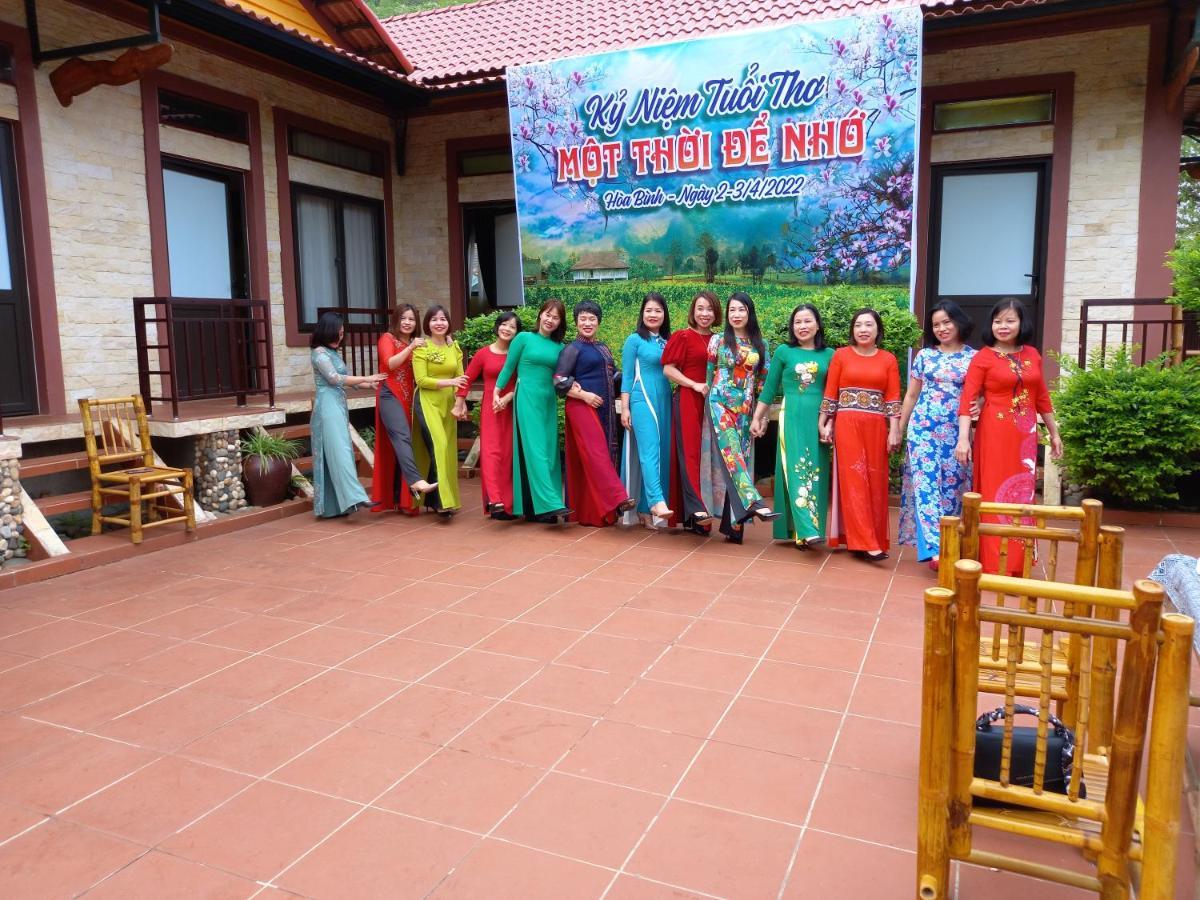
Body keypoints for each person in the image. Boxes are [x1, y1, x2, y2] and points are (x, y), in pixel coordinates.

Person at [955, 298, 1064, 575]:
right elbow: (967, 400)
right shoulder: (984, 357)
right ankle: (995, 564)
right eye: (997, 321)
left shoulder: (1033, 355)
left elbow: (1041, 396)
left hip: (1026, 435)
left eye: (1009, 321)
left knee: (1023, 494)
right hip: (994, 433)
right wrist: (963, 439)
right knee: (994, 494)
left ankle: (1020, 560)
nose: (1002, 326)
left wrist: (1054, 432)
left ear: (1021, 323)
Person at [898, 301, 977, 569]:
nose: (941, 328)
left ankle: (951, 541)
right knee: (926, 485)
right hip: (923, 430)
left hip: (957, 433)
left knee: (954, 487)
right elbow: (911, 394)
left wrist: (983, 405)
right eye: (936, 324)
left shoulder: (974, 358)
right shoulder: (924, 357)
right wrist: (899, 427)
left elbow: (986, 394)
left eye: (947, 322)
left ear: (958, 322)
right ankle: (934, 549)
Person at [819, 308, 901, 561]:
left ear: (878, 330)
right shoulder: (841, 355)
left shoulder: (888, 359)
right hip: (847, 424)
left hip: (876, 427)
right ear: (852, 330)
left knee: (875, 481)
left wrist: (895, 430)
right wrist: (824, 422)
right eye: (858, 325)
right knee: (854, 479)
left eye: (869, 325)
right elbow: (831, 391)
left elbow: (893, 398)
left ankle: (867, 539)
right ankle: (864, 541)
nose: (863, 330)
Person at [751, 303, 834, 549]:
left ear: (817, 324)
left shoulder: (830, 355)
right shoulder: (784, 352)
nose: (803, 326)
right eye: (798, 322)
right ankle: (807, 530)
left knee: (816, 472)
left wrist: (829, 422)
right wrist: (758, 417)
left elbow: (834, 393)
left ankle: (806, 529)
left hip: (818, 420)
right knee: (798, 469)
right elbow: (769, 389)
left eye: (808, 321)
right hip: (793, 417)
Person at [553, 300, 635, 526]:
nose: (587, 323)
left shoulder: (603, 347)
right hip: (581, 408)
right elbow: (559, 380)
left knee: (596, 456)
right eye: (583, 319)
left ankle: (593, 513)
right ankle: (618, 498)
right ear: (576, 321)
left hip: (605, 411)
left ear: (598, 322)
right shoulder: (572, 349)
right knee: (597, 455)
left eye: (592, 319)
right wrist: (584, 396)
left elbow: (614, 376)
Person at [706, 292, 778, 543]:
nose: (736, 315)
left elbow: (763, 386)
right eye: (732, 310)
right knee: (732, 454)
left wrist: (763, 418)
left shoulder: (761, 345)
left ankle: (734, 526)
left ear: (750, 313)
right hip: (719, 403)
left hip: (746, 410)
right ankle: (754, 500)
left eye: (741, 310)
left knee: (739, 461)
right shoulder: (717, 340)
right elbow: (708, 376)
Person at [495, 299, 572, 524]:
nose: (550, 320)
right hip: (526, 398)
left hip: (548, 401)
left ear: (560, 323)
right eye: (548, 314)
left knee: (549, 453)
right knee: (536, 450)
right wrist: (497, 392)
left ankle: (541, 507)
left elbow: (562, 378)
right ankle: (551, 504)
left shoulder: (560, 348)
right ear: (540, 315)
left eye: (556, 317)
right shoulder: (523, 338)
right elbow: (509, 367)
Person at [308, 312, 386, 518]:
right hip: (327, 407)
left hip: (338, 405)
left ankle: (336, 506)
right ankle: (356, 497)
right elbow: (334, 378)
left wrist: (368, 384)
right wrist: (366, 377)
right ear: (327, 331)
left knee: (337, 452)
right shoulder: (319, 353)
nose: (340, 337)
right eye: (337, 333)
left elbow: (345, 379)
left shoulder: (332, 352)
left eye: (342, 334)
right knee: (340, 452)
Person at [662, 290, 722, 535]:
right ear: (693, 311)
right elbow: (668, 369)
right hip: (688, 399)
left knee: (709, 457)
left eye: (709, 309)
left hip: (714, 404)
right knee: (690, 454)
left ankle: (699, 511)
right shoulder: (683, 336)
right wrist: (694, 384)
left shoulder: (720, 340)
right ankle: (698, 511)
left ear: (716, 312)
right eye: (700, 308)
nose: (704, 314)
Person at [371, 303, 436, 514]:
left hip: (411, 398)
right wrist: (411, 348)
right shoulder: (387, 339)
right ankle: (416, 481)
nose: (408, 323)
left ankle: (407, 500)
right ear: (396, 320)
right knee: (402, 438)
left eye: (412, 319)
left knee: (407, 445)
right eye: (404, 318)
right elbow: (389, 364)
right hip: (390, 394)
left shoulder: (419, 343)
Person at [453, 312, 519, 519]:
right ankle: (495, 499)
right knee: (491, 453)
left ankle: (508, 504)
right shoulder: (483, 354)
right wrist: (459, 401)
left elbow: (524, 381)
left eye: (512, 326)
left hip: (511, 407)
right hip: (490, 409)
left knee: (508, 454)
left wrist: (508, 397)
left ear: (517, 332)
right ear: (497, 326)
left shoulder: (517, 354)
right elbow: (466, 379)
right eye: (504, 324)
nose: (507, 329)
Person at [621, 293, 674, 526]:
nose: (653, 315)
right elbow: (627, 377)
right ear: (642, 313)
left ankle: (644, 509)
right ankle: (656, 501)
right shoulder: (634, 340)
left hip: (665, 399)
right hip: (642, 399)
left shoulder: (667, 341)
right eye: (649, 310)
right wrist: (625, 408)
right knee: (649, 450)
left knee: (662, 452)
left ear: (665, 315)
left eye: (658, 311)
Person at [412, 305, 465, 518]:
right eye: (434, 319)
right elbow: (421, 380)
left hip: (448, 404)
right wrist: (450, 381)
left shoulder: (455, 347)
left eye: (443, 319)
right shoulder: (421, 348)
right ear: (428, 324)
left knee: (448, 451)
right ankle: (443, 501)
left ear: (448, 323)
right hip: (427, 402)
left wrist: (460, 403)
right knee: (439, 446)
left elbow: (462, 380)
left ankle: (436, 499)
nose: (439, 323)